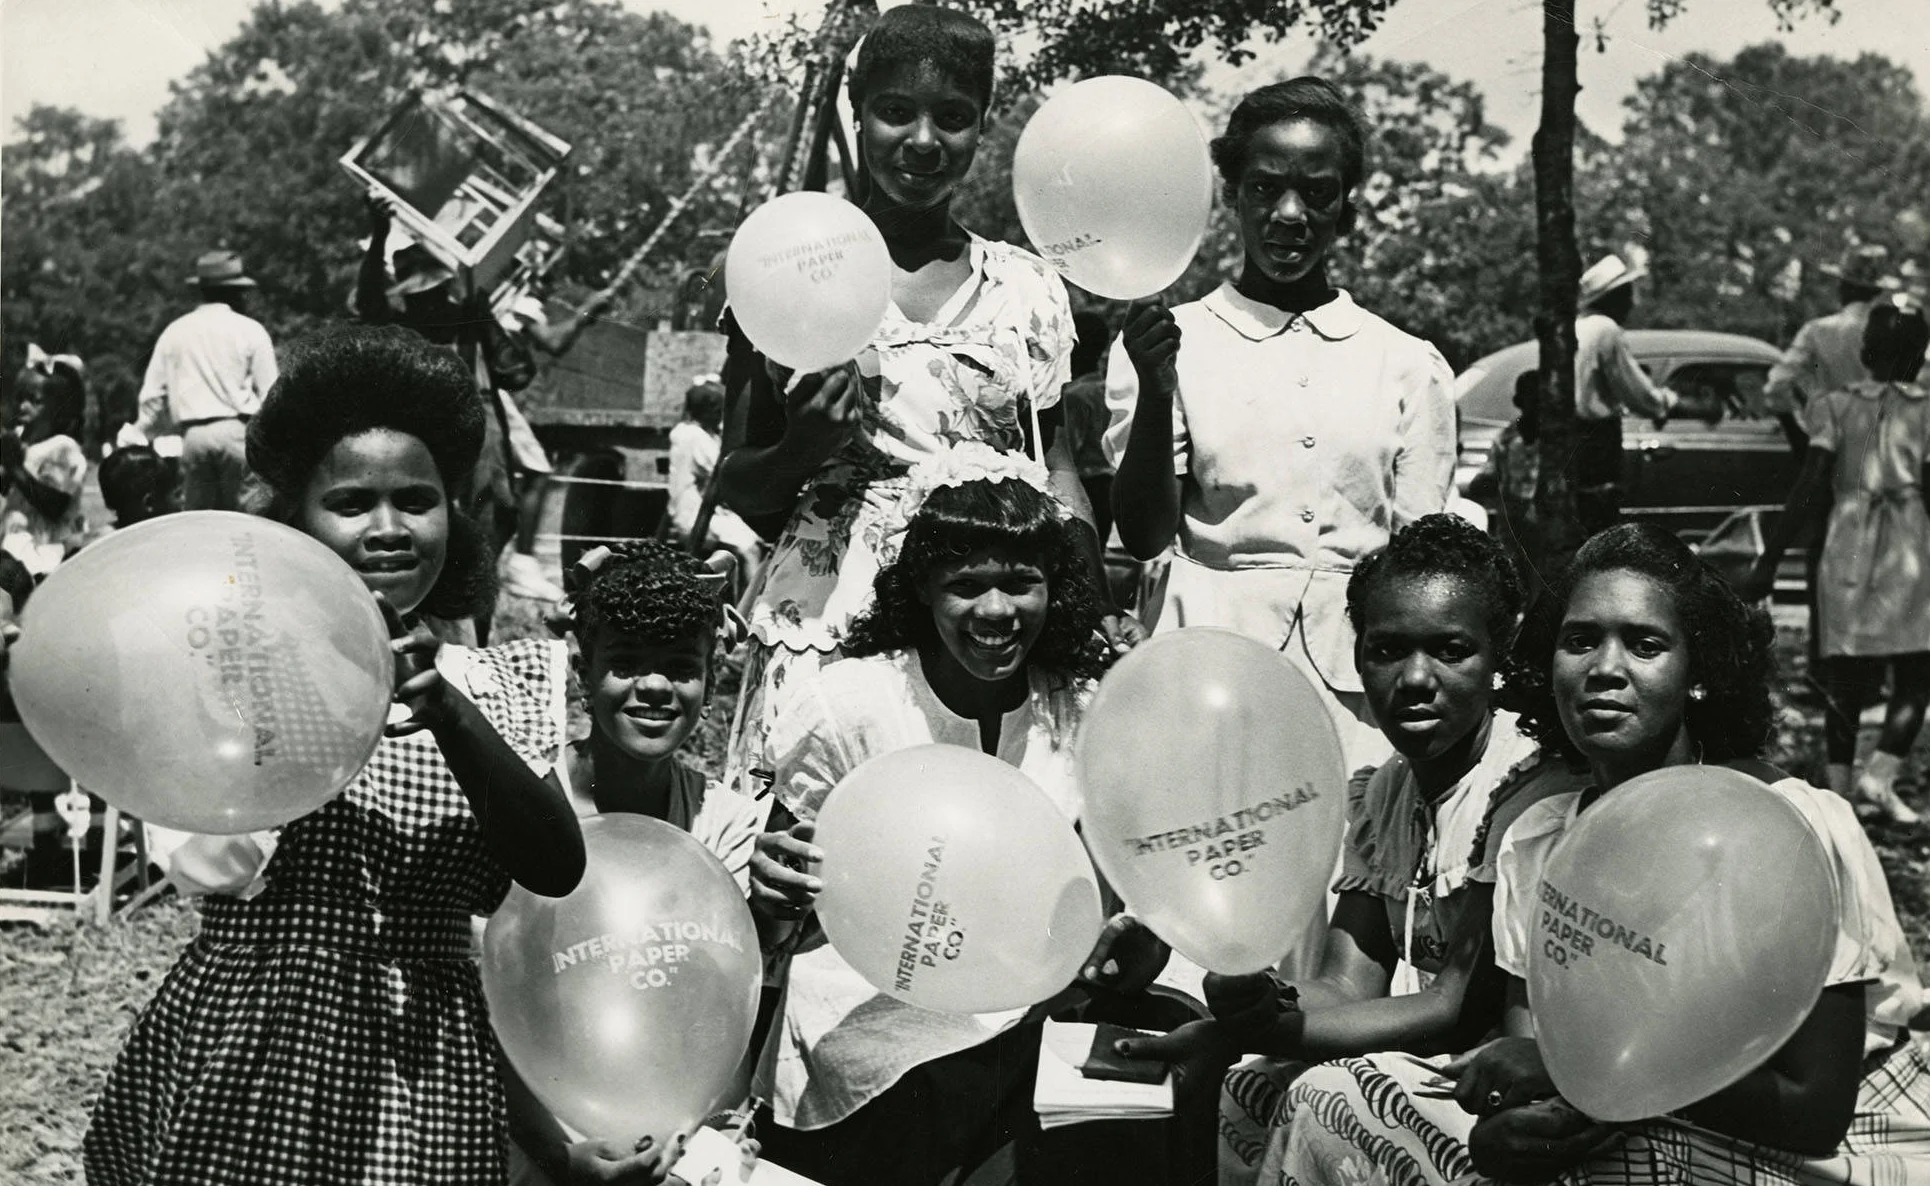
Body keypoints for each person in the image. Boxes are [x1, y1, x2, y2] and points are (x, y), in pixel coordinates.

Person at [84, 324, 588, 1186]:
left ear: (453, 516)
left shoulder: (495, 682)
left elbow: (554, 864)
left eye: (417, 500)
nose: (389, 527)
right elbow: (207, 864)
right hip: (257, 1036)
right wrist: (297, 690)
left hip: (422, 1061)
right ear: (293, 522)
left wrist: (452, 717)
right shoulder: (239, 673)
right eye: (351, 503)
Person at [1279, 522, 1927, 1186]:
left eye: (1644, 645)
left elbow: (1815, 1108)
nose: (1604, 670)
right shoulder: (1539, 842)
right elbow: (1532, 1054)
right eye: (1579, 641)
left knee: (1350, 1100)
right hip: (1627, 1112)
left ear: (1697, 674)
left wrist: (1575, 1074)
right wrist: (1518, 1128)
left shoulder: (1793, 827)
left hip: (1834, 1138)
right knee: (1331, 1093)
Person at [714, 4, 1131, 805]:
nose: (922, 141)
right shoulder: (786, 264)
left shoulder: (1030, 287)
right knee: (815, 855)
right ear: (858, 114)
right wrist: (804, 445)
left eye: (953, 117)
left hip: (989, 617)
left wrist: (1089, 607)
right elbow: (743, 486)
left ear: (982, 128)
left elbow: (1061, 474)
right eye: (895, 112)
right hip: (833, 613)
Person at [744, 450, 1181, 1185]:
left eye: (1021, 583)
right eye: (966, 586)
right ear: (921, 589)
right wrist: (771, 892)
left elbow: (1114, 895)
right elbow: (790, 915)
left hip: (1035, 1009)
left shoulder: (1078, 706)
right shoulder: (850, 704)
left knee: (1162, 1044)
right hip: (879, 1015)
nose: (996, 612)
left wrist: (1141, 938)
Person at [1118, 514, 1581, 1184]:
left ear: (1501, 649)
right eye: (1387, 650)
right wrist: (1242, 1015)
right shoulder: (1386, 793)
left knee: (1323, 1098)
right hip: (1430, 1066)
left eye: (1451, 650)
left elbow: (1456, 1006)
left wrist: (1264, 1031)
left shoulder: (1521, 784)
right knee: (1239, 1092)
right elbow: (1344, 983)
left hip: (1505, 1086)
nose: (1416, 678)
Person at [1105, 76, 1458, 784]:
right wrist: (1155, 390)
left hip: (1356, 685)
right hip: (1207, 664)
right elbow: (1145, 535)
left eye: (1318, 192)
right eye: (1265, 189)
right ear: (1232, 195)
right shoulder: (1174, 342)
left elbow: (1423, 556)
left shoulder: (1404, 362)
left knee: (1349, 865)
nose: (1291, 214)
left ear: (1348, 206)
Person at [507, 539, 770, 1186]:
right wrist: (556, 1155)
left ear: (711, 679)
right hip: (531, 1126)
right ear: (583, 670)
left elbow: (720, 1002)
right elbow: (490, 997)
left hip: (671, 1134)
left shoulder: (725, 823)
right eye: (625, 663)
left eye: (681, 666)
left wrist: (701, 1145)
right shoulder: (523, 803)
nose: (653, 686)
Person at [1743, 296, 1930, 825]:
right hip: (1910, 543)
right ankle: (1882, 772)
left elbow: (1806, 488)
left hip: (1847, 539)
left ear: (1866, 352)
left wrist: (1770, 558)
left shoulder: (1834, 406)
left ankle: (1840, 790)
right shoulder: (1925, 410)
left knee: (1846, 674)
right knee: (1916, 672)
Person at [355, 197, 567, 609]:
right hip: (423, 432)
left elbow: (515, 374)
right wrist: (380, 236)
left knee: (495, 514)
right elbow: (369, 304)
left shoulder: (467, 317)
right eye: (419, 294)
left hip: (476, 434)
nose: (427, 302)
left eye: (431, 292)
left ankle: (472, 611)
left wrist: (485, 320)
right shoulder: (402, 325)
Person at [127, 249, 279, 511]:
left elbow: (152, 396)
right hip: (238, 434)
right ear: (236, 292)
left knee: (199, 525)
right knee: (248, 522)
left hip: (193, 438)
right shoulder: (250, 330)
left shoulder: (175, 331)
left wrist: (141, 432)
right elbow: (272, 395)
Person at [1569, 253, 1678, 534]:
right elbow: (1635, 391)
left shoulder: (1578, 326)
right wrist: (1666, 403)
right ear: (1614, 296)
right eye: (1628, 292)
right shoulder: (1606, 329)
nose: (1632, 301)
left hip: (1573, 438)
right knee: (1599, 519)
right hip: (1594, 437)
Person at [1764, 245, 1891, 442]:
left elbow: (1777, 384)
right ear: (1878, 291)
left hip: (1834, 441)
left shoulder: (1817, 330)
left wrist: (1803, 426)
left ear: (1845, 287)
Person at [2, 345, 91, 575]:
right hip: (15, 544)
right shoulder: (24, 444)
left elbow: (55, 506)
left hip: (45, 551)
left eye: (34, 400)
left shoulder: (63, 448)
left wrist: (14, 468)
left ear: (61, 409)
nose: (23, 406)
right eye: (20, 398)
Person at [667, 377, 765, 579]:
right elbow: (724, 471)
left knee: (751, 537)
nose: (721, 416)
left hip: (689, 512)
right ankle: (748, 607)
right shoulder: (696, 437)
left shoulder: (683, 431)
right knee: (751, 547)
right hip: (695, 517)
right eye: (718, 411)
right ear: (708, 411)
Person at [1468, 371, 1544, 604]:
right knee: (1515, 575)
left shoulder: (1555, 438)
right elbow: (1489, 474)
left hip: (1544, 519)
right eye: (1530, 398)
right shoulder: (1507, 437)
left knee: (1542, 579)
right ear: (1520, 402)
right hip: (1514, 519)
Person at [1059, 310, 1117, 546]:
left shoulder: (1075, 396)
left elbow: (1067, 454)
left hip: (1084, 487)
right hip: (1107, 488)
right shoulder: (1108, 390)